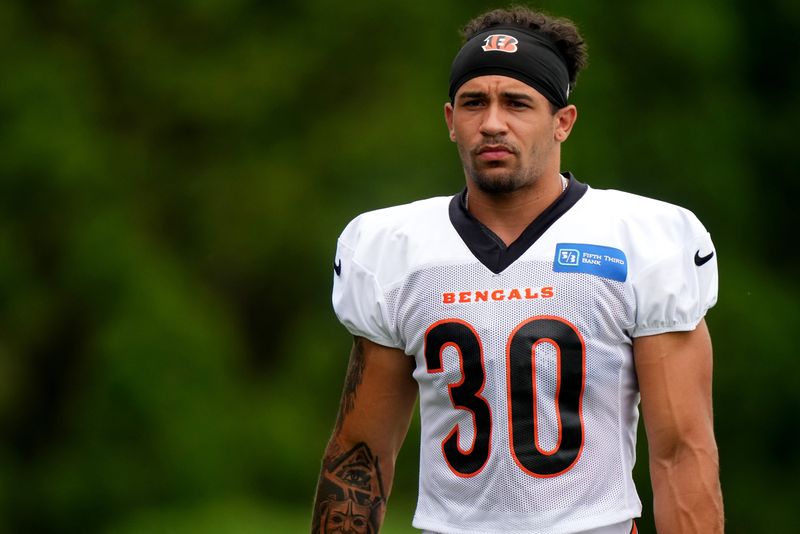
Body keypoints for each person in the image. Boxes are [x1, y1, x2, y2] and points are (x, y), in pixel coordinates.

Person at [312, 6, 724, 534]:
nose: (492, 123)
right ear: (450, 121)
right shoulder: (398, 250)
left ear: (562, 122)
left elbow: (681, 453)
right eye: (474, 103)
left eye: (517, 103)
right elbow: (360, 458)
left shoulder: (640, 240)